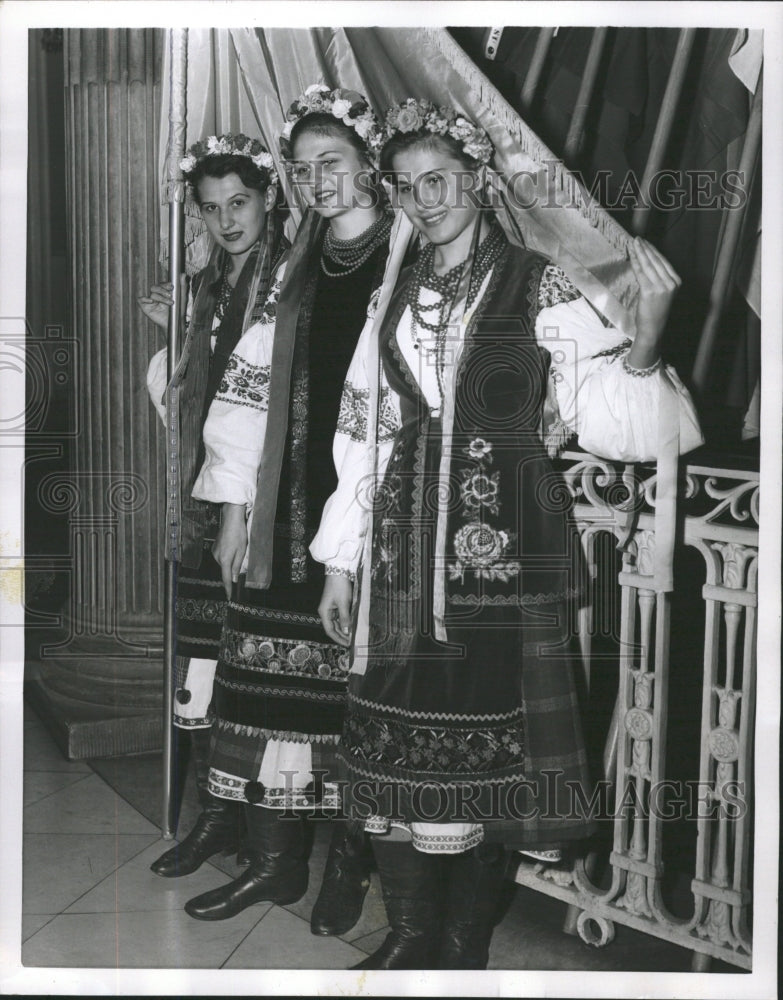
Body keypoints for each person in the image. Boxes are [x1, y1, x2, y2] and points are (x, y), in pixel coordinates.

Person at [312, 99, 704, 969]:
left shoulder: (539, 282)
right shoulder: (392, 295)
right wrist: (341, 560)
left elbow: (615, 424)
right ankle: (411, 931)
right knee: (390, 736)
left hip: (503, 549)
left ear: (480, 180)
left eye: (439, 181)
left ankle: (458, 943)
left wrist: (645, 340)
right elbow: (364, 430)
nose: (423, 201)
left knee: (492, 755)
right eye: (407, 187)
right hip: (399, 552)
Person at [179, 87, 395, 933]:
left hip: (372, 504)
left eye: (330, 163)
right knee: (264, 684)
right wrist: (234, 509)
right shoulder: (297, 261)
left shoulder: (407, 254)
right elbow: (248, 381)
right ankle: (274, 866)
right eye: (302, 170)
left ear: (367, 161)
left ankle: (352, 864)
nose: (315, 182)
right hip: (282, 510)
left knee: (360, 701)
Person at [141, 134, 289, 877]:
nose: (227, 220)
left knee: (254, 670)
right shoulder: (204, 285)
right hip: (202, 498)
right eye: (211, 208)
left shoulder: (289, 277)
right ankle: (212, 819)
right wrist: (180, 340)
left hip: (262, 497)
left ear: (268, 199)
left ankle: (271, 838)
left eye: (240, 203)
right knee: (200, 659)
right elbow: (186, 408)